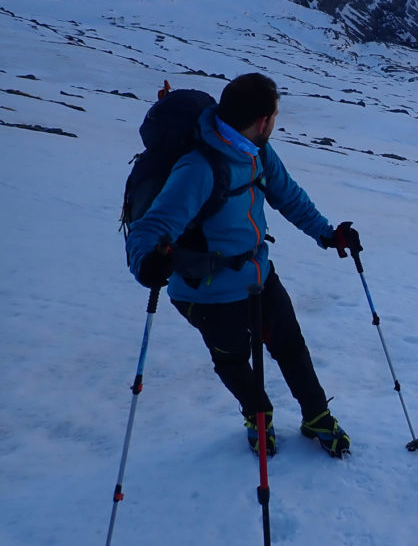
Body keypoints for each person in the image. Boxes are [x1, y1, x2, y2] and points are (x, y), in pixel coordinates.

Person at [126, 73, 353, 458]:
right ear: (264, 119)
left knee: (290, 347)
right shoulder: (199, 167)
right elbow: (151, 228)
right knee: (232, 360)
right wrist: (145, 265)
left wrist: (327, 234)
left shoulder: (257, 151)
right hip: (207, 292)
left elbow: (289, 197)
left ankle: (316, 415)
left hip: (258, 275)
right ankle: (258, 415)